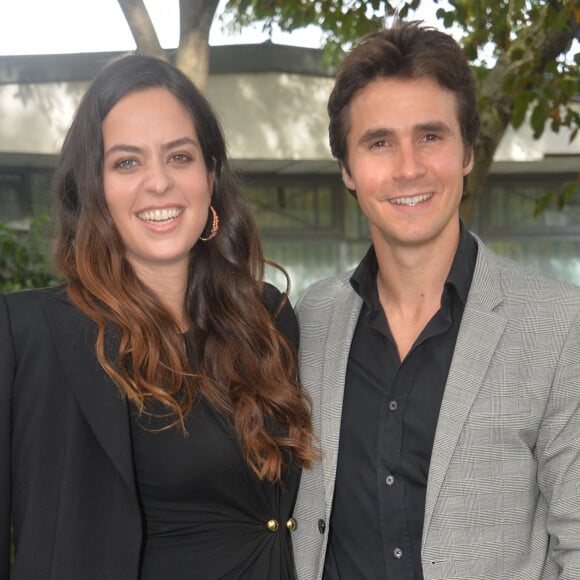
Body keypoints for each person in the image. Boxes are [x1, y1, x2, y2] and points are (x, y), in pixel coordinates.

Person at [0, 54, 317, 580]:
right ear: (93, 186)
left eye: (179, 157)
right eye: (127, 162)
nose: (158, 183)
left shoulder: (267, 318)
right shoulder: (28, 336)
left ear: (210, 174)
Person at [291, 20, 580, 580]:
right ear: (348, 170)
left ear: (468, 151)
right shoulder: (312, 318)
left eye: (431, 136)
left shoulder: (560, 327)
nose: (409, 168)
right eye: (380, 143)